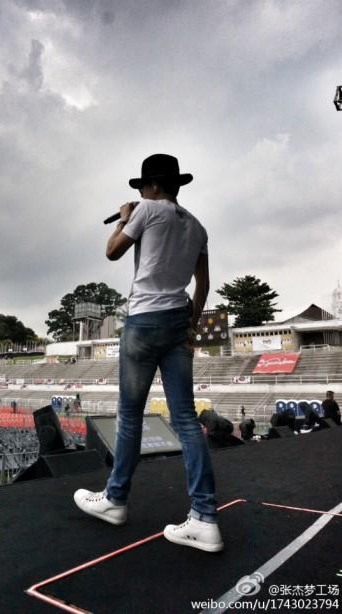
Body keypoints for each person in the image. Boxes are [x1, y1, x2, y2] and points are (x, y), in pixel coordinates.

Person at [74, 153, 223, 553]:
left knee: (129, 414)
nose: (139, 193)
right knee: (186, 419)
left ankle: (115, 499)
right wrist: (191, 327)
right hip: (178, 319)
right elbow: (203, 285)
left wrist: (124, 219)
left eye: (142, 186)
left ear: (153, 185)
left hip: (144, 319)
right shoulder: (198, 226)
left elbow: (112, 252)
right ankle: (205, 517)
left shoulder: (146, 210)